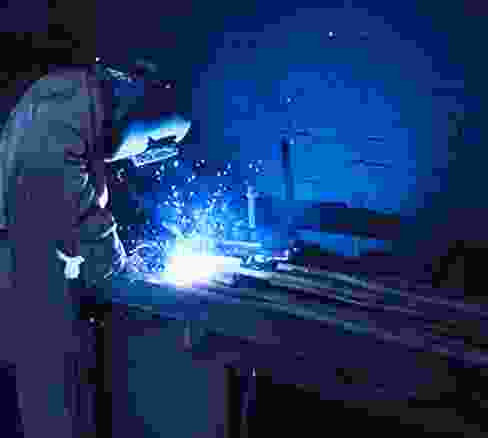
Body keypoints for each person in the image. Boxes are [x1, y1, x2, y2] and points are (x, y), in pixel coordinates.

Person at [0, 33, 191, 437]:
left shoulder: (76, 105)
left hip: (44, 277)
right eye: (153, 140)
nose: (146, 153)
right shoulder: (62, 106)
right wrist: (117, 266)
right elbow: (75, 206)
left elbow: (90, 194)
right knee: (58, 412)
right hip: (41, 290)